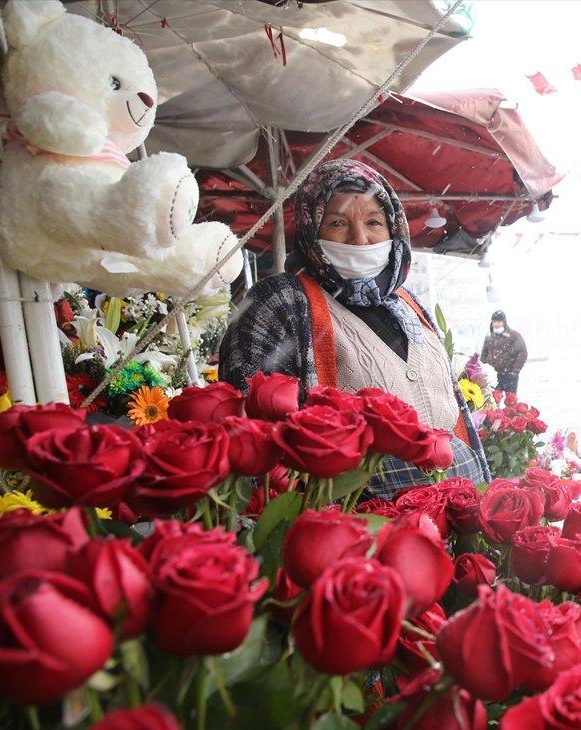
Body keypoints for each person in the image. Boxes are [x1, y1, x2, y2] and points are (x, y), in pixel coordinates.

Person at [218, 159, 490, 498]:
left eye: (374, 222)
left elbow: (458, 412)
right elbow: (251, 434)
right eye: (337, 223)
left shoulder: (408, 303)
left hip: (456, 519)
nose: (360, 239)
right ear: (311, 230)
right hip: (362, 530)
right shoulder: (279, 302)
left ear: (394, 228)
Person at [480, 310, 528, 400]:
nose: (496, 324)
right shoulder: (489, 337)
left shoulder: (513, 335)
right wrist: (485, 371)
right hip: (494, 376)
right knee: (493, 401)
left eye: (499, 321)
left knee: (511, 402)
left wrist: (514, 371)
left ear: (504, 322)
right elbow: (483, 356)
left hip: (510, 375)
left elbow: (523, 353)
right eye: (494, 321)